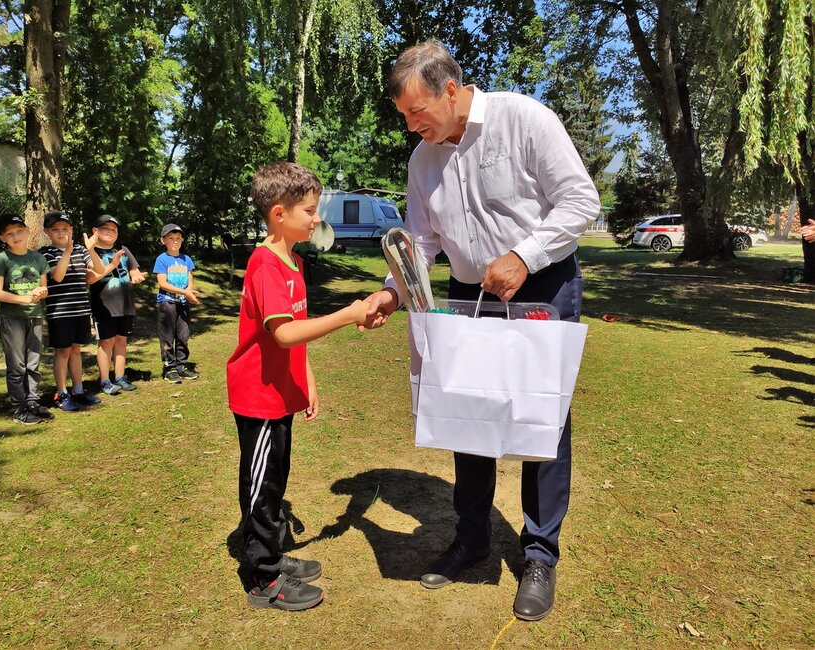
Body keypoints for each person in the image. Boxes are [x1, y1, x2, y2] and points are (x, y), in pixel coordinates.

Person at [362, 40, 600, 621]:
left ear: (451, 90)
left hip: (541, 282)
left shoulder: (524, 119)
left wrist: (523, 255)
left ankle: (539, 555)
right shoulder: (422, 161)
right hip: (469, 291)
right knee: (466, 412)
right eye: (404, 116)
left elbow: (580, 201)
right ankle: (471, 539)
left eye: (417, 111)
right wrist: (395, 290)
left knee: (541, 420)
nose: (412, 126)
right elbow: (421, 243)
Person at [226, 161, 370, 611]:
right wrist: (348, 315)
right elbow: (284, 333)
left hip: (281, 395)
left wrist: (307, 380)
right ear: (278, 214)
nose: (316, 218)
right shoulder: (265, 265)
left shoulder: (293, 261)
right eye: (308, 210)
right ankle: (263, 577)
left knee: (276, 480)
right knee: (262, 486)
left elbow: (296, 331)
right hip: (258, 397)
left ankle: (273, 552)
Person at [39, 211, 107, 412]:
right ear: (46, 232)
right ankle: (61, 393)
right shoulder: (45, 253)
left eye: (65, 228)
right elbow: (57, 276)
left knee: (76, 350)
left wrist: (91, 249)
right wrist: (67, 252)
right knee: (63, 351)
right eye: (56, 229)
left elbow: (99, 269)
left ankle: (78, 389)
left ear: (71, 230)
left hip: (81, 309)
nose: (61, 233)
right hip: (60, 312)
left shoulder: (80, 250)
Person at [0, 214, 51, 424]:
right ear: (2, 238)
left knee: (33, 363)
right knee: (17, 366)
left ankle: (32, 402)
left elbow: (44, 288)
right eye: (9, 234)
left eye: (19, 231)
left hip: (35, 316)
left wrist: (41, 293)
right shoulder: (2, 259)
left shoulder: (38, 259)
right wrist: (24, 299)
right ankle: (20, 408)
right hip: (12, 319)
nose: (16, 236)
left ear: (27, 230)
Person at [88, 214, 147, 394]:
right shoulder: (91, 252)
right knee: (106, 342)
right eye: (105, 228)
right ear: (95, 231)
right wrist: (112, 265)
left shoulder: (123, 250)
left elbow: (134, 271)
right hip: (104, 306)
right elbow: (90, 278)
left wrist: (137, 276)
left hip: (126, 304)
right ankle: (105, 381)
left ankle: (120, 377)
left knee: (121, 340)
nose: (110, 232)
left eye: (114, 229)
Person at [153, 223, 200, 383]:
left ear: (182, 240)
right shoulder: (162, 259)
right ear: (163, 240)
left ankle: (181, 365)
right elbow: (162, 283)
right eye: (171, 238)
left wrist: (189, 293)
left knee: (183, 335)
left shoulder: (186, 259)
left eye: (178, 238)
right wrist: (184, 292)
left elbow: (190, 278)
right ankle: (169, 368)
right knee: (167, 336)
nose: (175, 241)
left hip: (183, 303)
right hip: (167, 303)